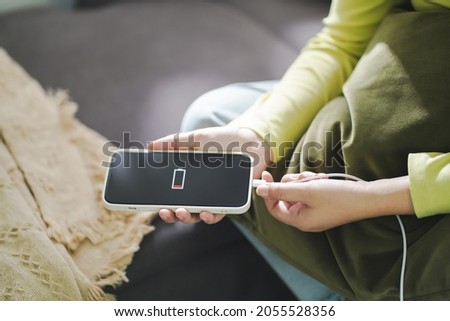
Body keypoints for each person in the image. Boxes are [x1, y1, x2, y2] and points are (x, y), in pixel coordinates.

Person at [150, 0, 450, 300]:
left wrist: (377, 197)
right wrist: (257, 132)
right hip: (368, 121)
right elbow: (343, 42)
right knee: (212, 118)